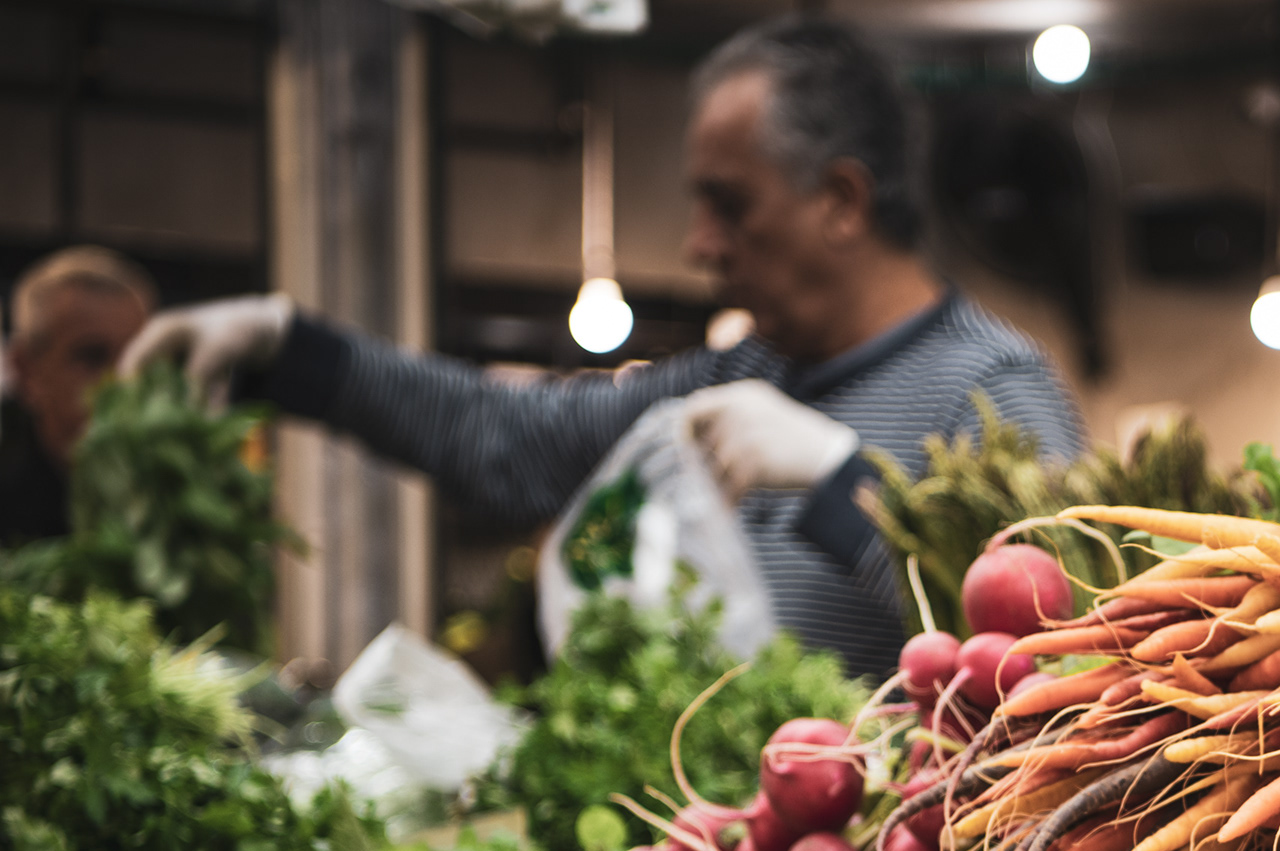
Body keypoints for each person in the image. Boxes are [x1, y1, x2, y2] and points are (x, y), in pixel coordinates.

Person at [122, 19, 1085, 677]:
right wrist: (292, 353)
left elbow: (1071, 641)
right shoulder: (738, 378)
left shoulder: (993, 392)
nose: (699, 245)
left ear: (841, 202)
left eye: (730, 205)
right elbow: (510, 437)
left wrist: (846, 488)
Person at [1, 247, 156, 542]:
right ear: (27, 372)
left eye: (138, 359)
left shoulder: (167, 497)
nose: (121, 382)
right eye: (93, 357)